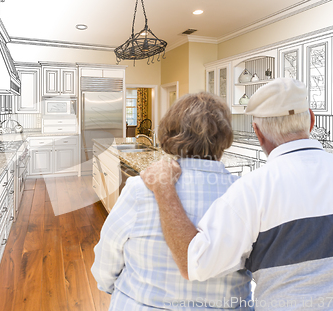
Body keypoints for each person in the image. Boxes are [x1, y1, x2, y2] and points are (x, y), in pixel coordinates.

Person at [140, 78, 333, 310]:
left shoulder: (252, 189)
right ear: (311, 120)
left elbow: (195, 264)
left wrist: (164, 189)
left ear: (258, 132)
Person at [91, 92, 253, 310]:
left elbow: (107, 258)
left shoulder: (140, 189)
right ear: (225, 138)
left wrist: (117, 290)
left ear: (170, 133)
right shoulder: (247, 195)